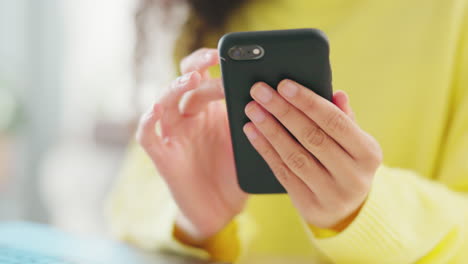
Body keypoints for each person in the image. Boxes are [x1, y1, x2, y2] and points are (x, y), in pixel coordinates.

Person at [107, 0, 468, 263]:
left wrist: (360, 212)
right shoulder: (205, 15)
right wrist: (194, 222)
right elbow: (128, 202)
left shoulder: (453, 15)